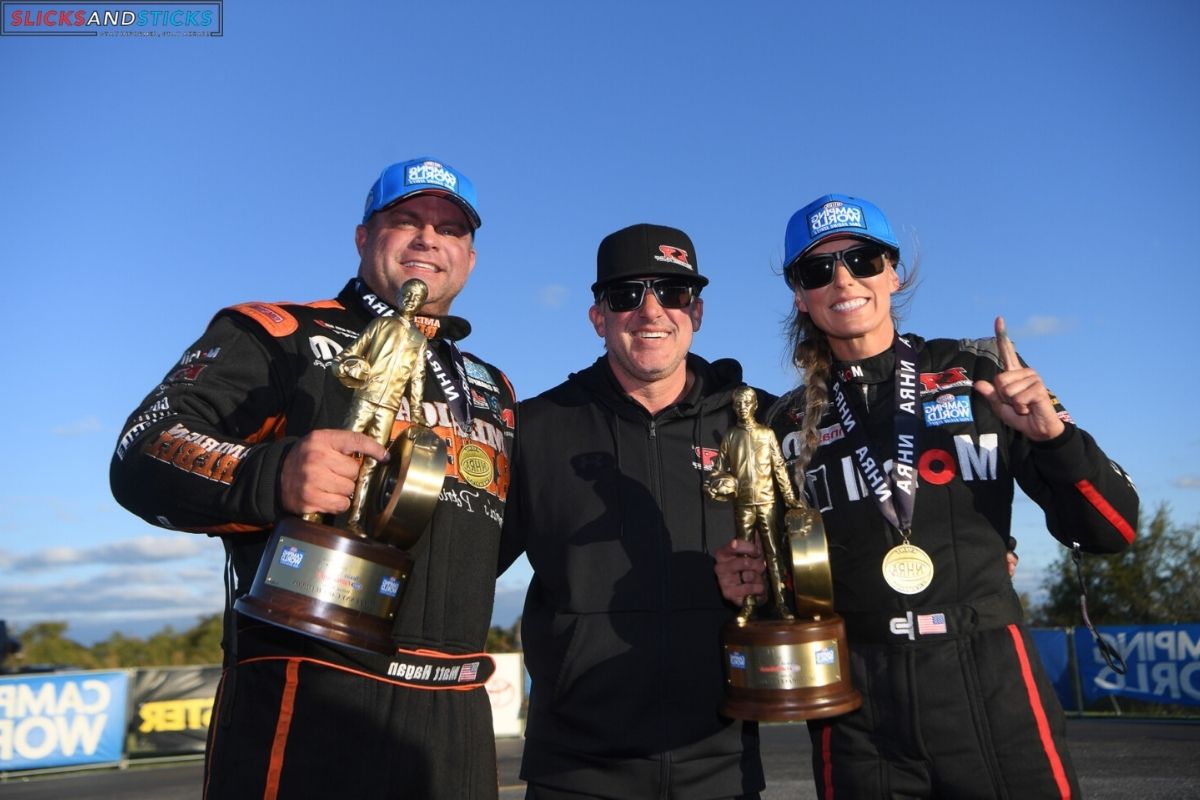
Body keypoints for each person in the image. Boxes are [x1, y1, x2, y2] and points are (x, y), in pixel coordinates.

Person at [110, 157, 516, 800]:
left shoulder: (492, 387)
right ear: (363, 238)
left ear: (468, 256)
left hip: (455, 711)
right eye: (405, 219)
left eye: (450, 229)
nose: (428, 239)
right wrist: (271, 474)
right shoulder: (279, 333)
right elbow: (143, 450)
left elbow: (490, 533)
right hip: (311, 691)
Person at [714, 194, 1139, 799]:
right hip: (854, 701)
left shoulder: (980, 373)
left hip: (989, 681)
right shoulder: (782, 424)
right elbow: (778, 571)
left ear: (894, 271)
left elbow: (1112, 532)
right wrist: (744, 577)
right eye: (818, 270)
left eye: (861, 259)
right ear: (799, 293)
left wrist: (1054, 440)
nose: (843, 280)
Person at [499, 224, 765, 799]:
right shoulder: (534, 428)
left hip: (722, 765)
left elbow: (827, 548)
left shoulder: (756, 424)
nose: (651, 312)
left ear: (696, 310)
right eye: (626, 296)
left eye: (671, 294)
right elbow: (463, 564)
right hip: (574, 771)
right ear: (598, 317)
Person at [334, 277, 430, 534]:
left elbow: (417, 379)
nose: (411, 300)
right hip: (365, 398)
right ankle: (317, 513)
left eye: (417, 297)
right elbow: (348, 354)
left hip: (389, 407)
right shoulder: (380, 324)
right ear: (399, 297)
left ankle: (355, 519)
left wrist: (417, 412)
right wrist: (351, 367)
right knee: (340, 451)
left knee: (373, 463)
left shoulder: (419, 340)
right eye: (407, 294)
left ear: (421, 304)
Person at [707, 386, 801, 624]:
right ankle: (748, 605)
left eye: (746, 404)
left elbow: (779, 467)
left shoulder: (767, 434)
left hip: (767, 501)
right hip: (743, 504)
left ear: (754, 406)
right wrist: (721, 483)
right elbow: (717, 471)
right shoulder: (730, 436)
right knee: (745, 555)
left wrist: (789, 498)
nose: (742, 409)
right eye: (737, 404)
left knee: (773, 553)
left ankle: (781, 602)